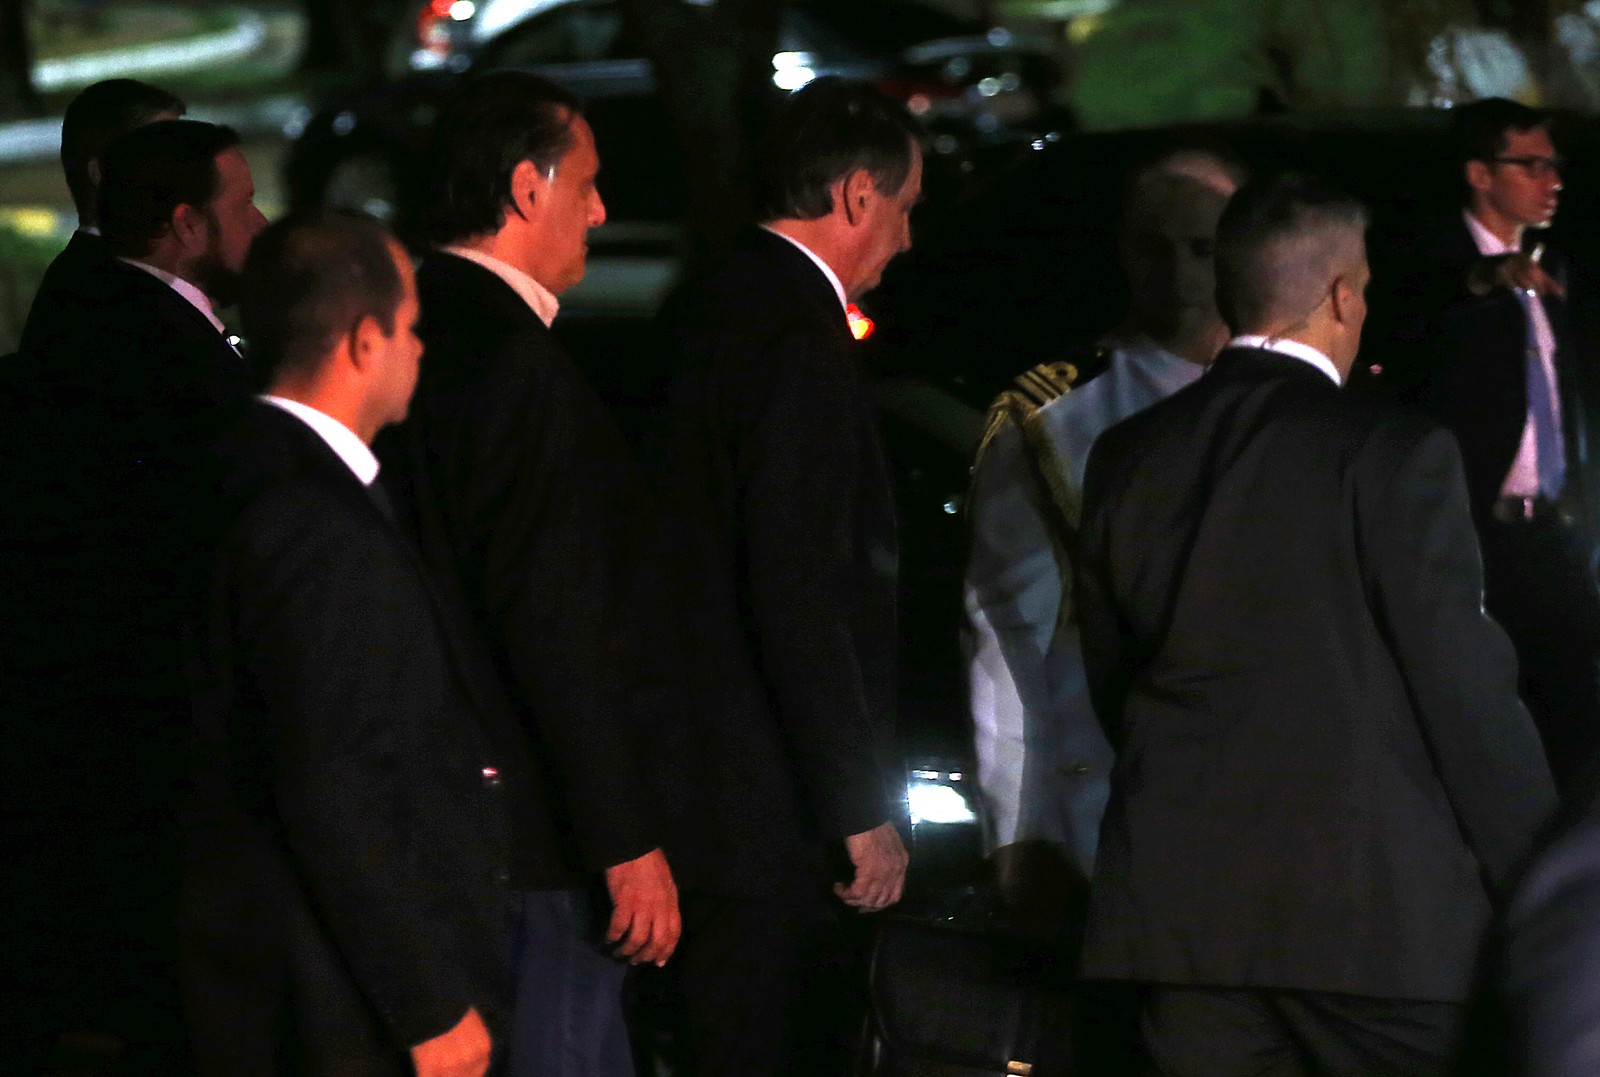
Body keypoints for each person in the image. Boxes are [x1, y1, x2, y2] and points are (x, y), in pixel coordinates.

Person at [1074, 174, 1556, 1075]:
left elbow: (1112, 677)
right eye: (1365, 286)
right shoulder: (1393, 451)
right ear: (1342, 295)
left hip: (1181, 925)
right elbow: (1462, 691)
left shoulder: (1125, 455)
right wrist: (1540, 878)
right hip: (1375, 927)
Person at [373, 71, 676, 1077]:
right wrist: (624, 840)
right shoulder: (513, 364)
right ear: (525, 187)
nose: (600, 207)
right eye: (584, 181)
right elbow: (548, 620)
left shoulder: (411, 333)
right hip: (536, 840)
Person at [182, 210, 520, 1077]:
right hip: (334, 1004)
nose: (420, 350)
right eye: (409, 329)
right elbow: (332, 778)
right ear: (363, 341)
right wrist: (431, 1004)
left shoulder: (235, 465)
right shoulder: (311, 520)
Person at [645, 77, 920, 1077]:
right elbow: (797, 583)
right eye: (902, 208)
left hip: (699, 782)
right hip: (766, 810)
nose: (904, 238)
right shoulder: (794, 334)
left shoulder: (709, 300)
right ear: (855, 195)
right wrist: (856, 805)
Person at [0, 117, 264, 1071]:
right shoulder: (154, 353)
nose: (261, 222)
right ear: (187, 225)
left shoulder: (104, 312)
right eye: (243, 205)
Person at [964, 147, 1243, 929]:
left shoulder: (1300, 394)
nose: (1181, 271)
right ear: (1124, 250)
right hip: (1114, 806)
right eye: (1156, 246)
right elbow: (1006, 630)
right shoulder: (1057, 413)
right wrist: (1021, 832)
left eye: (1203, 247)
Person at [1374, 98, 1600, 799]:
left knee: (1573, 705)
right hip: (1474, 533)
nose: (1551, 180)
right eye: (1531, 165)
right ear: (1480, 172)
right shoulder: (1432, 259)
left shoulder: (1552, 264)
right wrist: (1487, 280)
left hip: (1553, 523)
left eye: (1553, 165)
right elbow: (1416, 314)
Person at [16, 77, 185, 355]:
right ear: (105, 174)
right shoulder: (105, 301)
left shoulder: (110, 279)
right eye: (165, 157)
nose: (187, 172)